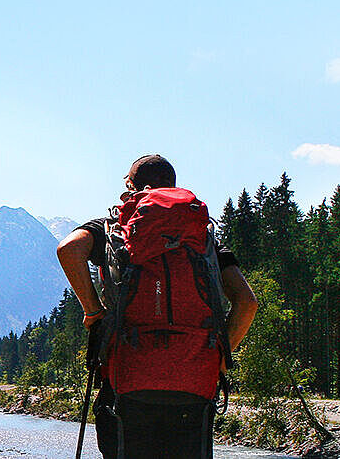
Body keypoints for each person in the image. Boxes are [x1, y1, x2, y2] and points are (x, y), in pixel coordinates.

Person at [57, 154, 258, 459]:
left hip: (128, 377)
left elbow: (68, 249)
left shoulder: (114, 228)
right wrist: (218, 356)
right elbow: (247, 303)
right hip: (194, 380)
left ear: (131, 186)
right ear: (174, 187)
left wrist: (93, 312)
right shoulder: (203, 238)